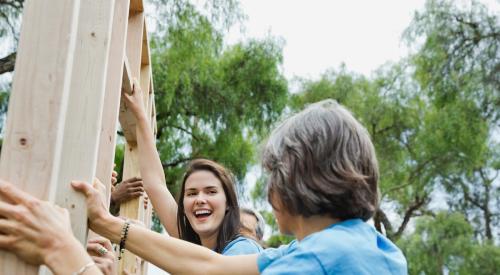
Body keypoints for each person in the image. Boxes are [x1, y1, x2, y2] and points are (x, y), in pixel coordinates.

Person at [0, 99, 407, 274]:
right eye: (190, 193)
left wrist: (62, 251)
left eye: (273, 175)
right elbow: (209, 268)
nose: (269, 192)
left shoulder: (318, 261)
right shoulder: (348, 247)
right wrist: (107, 224)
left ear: (296, 180)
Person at [121, 80, 261, 255]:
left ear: (228, 204)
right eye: (192, 193)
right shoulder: (193, 246)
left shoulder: (242, 249)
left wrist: (133, 235)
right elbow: (155, 185)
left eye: (211, 191)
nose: (200, 199)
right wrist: (140, 116)